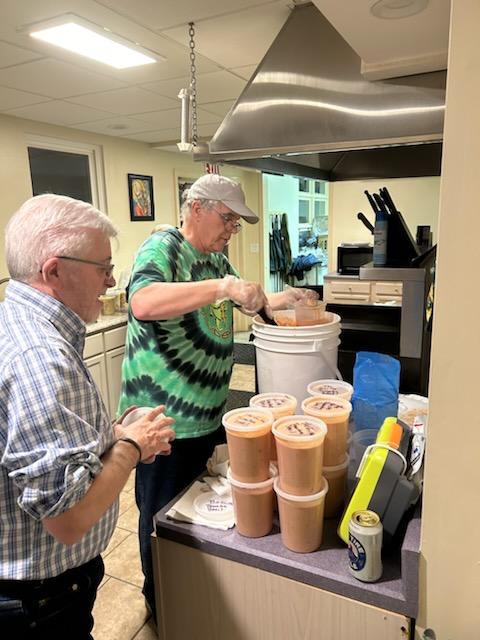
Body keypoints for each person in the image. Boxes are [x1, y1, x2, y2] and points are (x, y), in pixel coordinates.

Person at [118, 173, 317, 619]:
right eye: (226, 219)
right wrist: (226, 288)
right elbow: (144, 302)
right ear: (196, 209)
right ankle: (161, 605)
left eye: (236, 223)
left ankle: (191, 595)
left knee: (195, 516)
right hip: (161, 423)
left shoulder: (216, 264)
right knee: (160, 520)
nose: (231, 230)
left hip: (207, 418)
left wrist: (287, 299)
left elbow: (249, 300)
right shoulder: (164, 247)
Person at [0, 194, 175, 639]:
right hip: (40, 600)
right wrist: (133, 446)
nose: (112, 280)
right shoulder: (42, 357)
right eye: (103, 267)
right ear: (54, 269)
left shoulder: (15, 321)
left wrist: (112, 436)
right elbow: (70, 519)